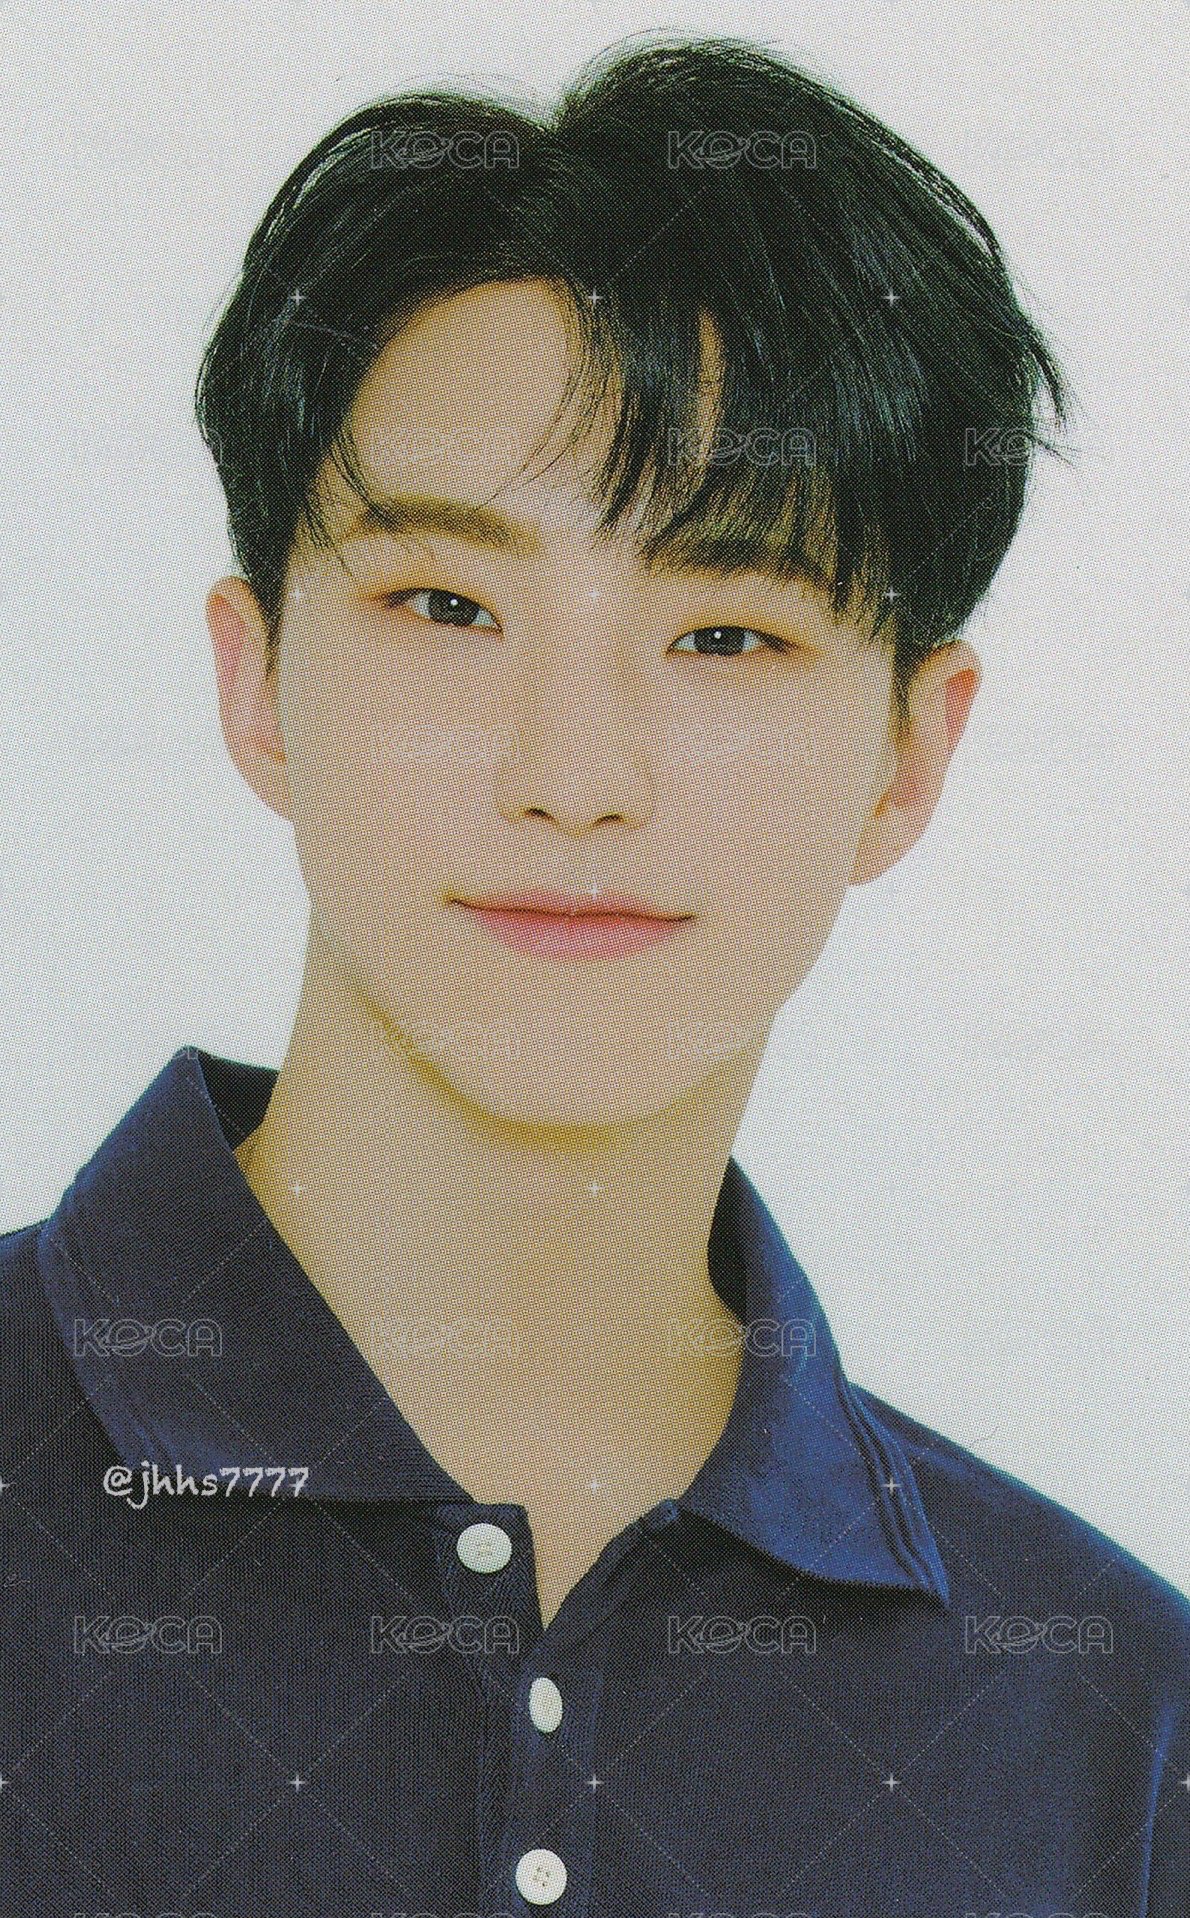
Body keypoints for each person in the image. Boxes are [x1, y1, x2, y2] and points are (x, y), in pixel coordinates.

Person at [2, 31, 1185, 1916]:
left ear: (909, 754)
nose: (573, 775)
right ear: (258, 682)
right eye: (446, 605)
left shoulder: (1100, 1720)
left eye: (725, 634)